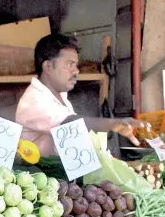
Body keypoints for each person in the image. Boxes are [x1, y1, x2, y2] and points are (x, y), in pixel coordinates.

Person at [16, 34, 149, 157]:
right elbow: (68, 123)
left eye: (76, 65)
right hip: (39, 176)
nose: (76, 71)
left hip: (60, 174)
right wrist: (113, 123)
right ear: (48, 67)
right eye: (69, 64)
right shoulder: (34, 100)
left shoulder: (59, 95)